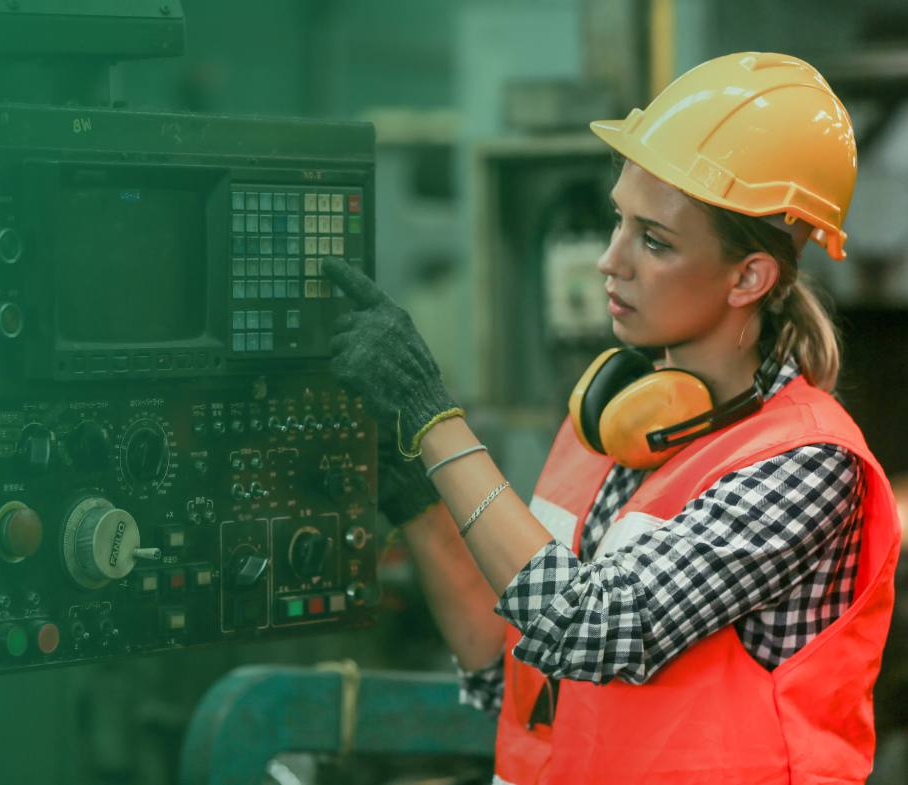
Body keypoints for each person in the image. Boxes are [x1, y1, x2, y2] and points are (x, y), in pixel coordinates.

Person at [323, 51, 901, 785]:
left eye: (653, 240)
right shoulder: (603, 431)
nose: (609, 259)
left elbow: (591, 626)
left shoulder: (805, 465)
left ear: (748, 277)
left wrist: (434, 419)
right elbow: (519, 671)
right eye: (618, 221)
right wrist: (415, 493)